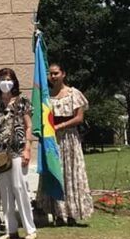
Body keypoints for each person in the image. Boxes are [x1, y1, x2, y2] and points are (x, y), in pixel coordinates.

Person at [37, 62, 93, 225]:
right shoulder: (46, 96)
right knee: (56, 172)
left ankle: (72, 213)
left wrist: (59, 126)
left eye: (56, 73)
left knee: (71, 173)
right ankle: (58, 214)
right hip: (52, 140)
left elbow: (79, 117)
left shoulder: (73, 93)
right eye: (50, 74)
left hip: (69, 138)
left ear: (63, 74)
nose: (53, 77)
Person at [0, 68, 37, 239]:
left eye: (9, 79)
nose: (5, 82)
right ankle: (11, 229)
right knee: (6, 190)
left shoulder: (22, 101)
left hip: (17, 149)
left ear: (14, 81)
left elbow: (28, 126)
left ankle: (30, 228)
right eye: (2, 79)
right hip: (0, 153)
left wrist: (27, 148)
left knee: (19, 186)